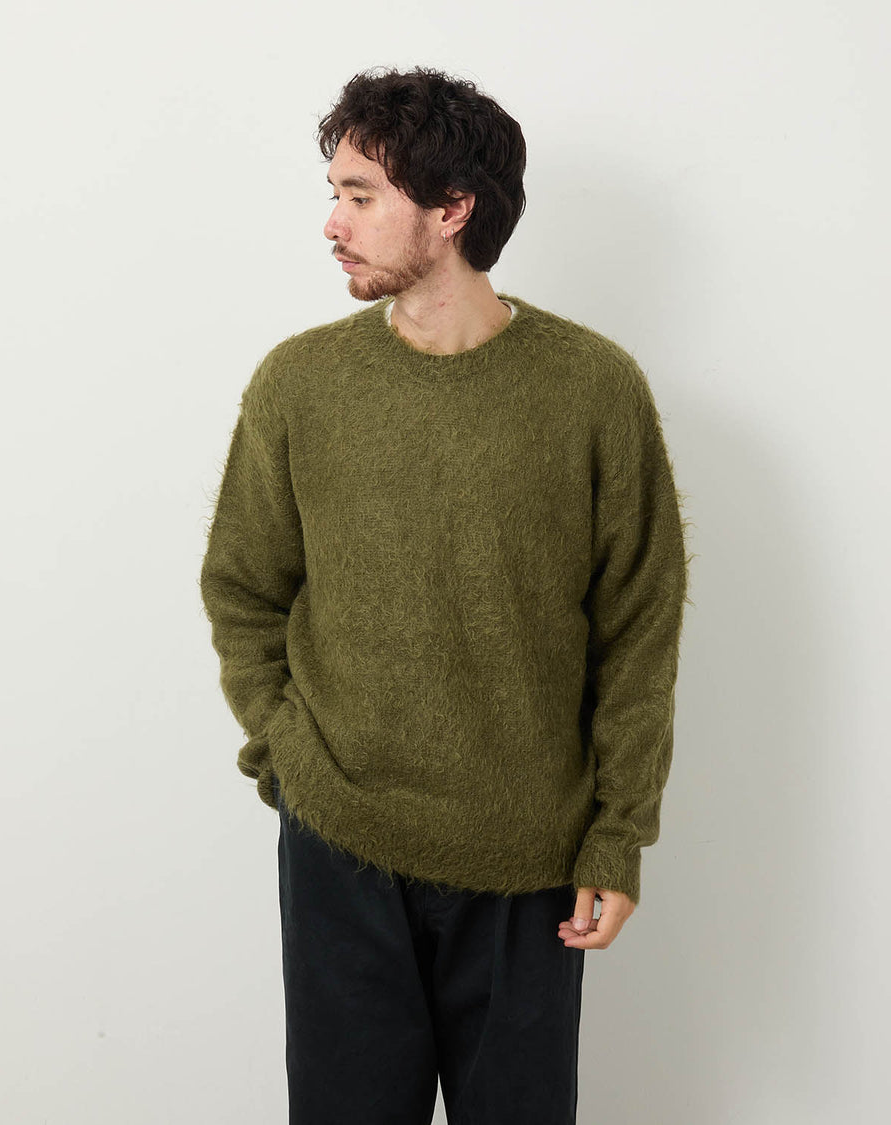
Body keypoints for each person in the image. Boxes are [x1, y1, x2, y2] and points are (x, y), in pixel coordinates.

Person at [199, 64, 690, 1125]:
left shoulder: (593, 389)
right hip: (340, 841)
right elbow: (243, 586)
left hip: (529, 857)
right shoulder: (300, 385)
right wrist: (286, 753)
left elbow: (638, 628)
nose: (332, 223)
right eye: (334, 192)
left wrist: (618, 834)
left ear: (453, 209)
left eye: (361, 195)